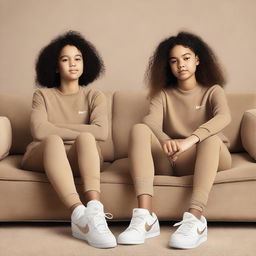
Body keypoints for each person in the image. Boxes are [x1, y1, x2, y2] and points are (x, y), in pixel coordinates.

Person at [118, 31, 232, 249]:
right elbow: (150, 121)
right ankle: (145, 216)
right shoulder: (163, 94)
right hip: (173, 158)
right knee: (139, 129)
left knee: (209, 139)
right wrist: (164, 139)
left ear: (197, 60)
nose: (181, 64)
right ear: (168, 66)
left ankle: (195, 219)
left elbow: (224, 117)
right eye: (174, 61)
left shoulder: (213, 91)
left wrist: (190, 140)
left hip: (211, 155)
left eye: (186, 58)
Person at [21, 31, 117, 248]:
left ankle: (94, 210)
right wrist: (81, 129)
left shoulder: (94, 96)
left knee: (85, 138)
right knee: (54, 140)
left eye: (78, 59)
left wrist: (55, 127)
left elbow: (101, 133)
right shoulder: (43, 96)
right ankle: (79, 216)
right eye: (65, 60)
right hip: (42, 153)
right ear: (56, 66)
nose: (73, 64)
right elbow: (39, 132)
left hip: (79, 156)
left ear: (85, 63)